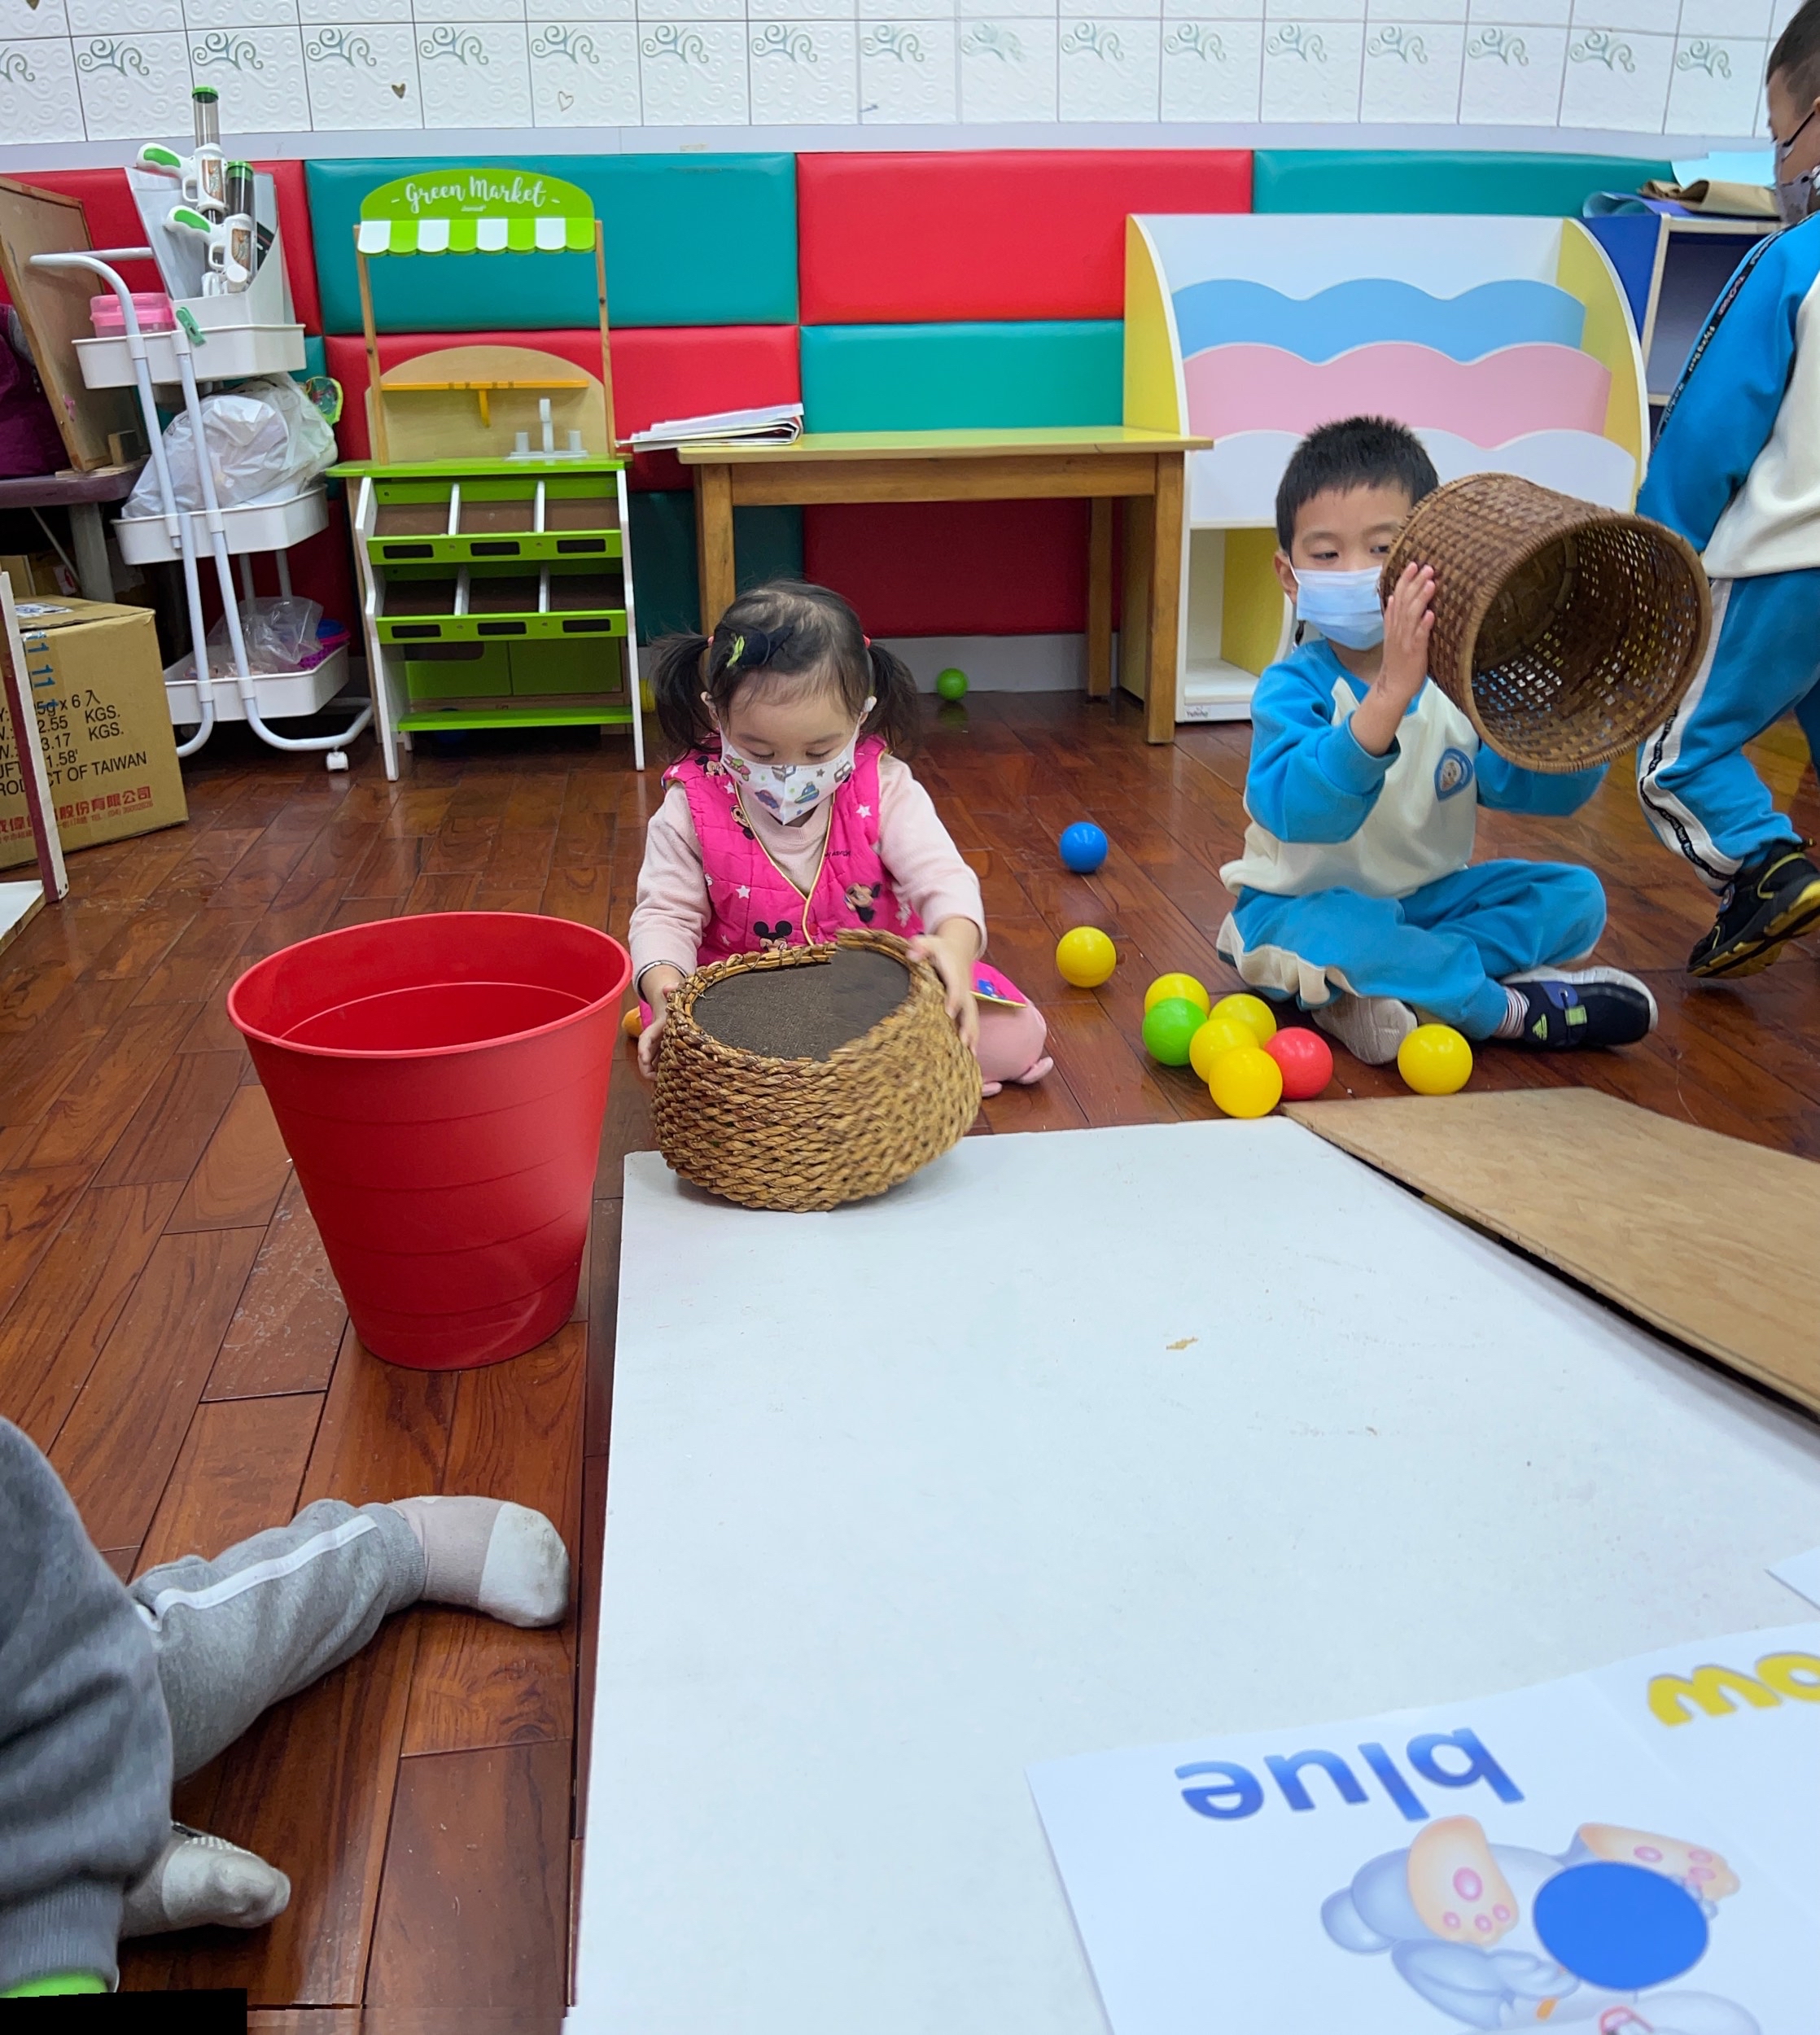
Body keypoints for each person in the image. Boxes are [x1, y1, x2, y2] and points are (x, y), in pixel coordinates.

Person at [0, 1416, 569, 1998]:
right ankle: (110, 1878)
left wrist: (50, 1919)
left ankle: (396, 1546)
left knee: (201, 1668)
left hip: (48, 1691)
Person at [1214, 415, 1657, 1066]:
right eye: (1327, 555)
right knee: (1349, 932)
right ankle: (1501, 1010)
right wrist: (1388, 696)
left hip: (1428, 904)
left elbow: (1532, 789)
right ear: (1290, 575)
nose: (1358, 571)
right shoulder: (1292, 687)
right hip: (1294, 909)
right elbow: (1301, 811)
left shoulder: (1458, 687)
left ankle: (1401, 985)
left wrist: (1580, 719)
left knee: (1576, 898)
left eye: (1383, 548)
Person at [628, 579, 1052, 1096]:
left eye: (818, 752)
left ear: (860, 717)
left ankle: (839, 1082)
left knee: (1016, 1036)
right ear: (717, 715)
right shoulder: (691, 803)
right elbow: (665, 916)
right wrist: (667, 993)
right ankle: (879, 1082)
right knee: (702, 1061)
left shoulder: (885, 786)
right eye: (759, 752)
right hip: (744, 1004)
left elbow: (943, 878)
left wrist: (955, 948)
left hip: (873, 991)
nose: (789, 773)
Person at [1633, 0, 1820, 978]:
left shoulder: (1791, 262)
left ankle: (1764, 867)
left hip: (1785, 563)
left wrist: (1654, 556)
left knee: (1679, 756)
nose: (1779, 166)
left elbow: (1707, 430)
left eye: (1781, 137)